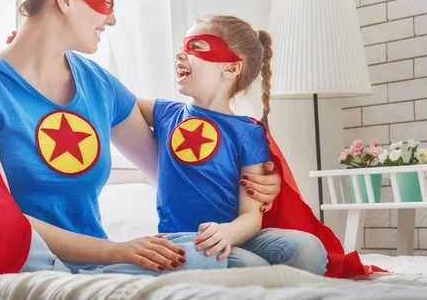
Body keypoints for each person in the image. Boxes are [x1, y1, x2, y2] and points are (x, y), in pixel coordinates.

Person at [137, 15, 327, 275]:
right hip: (186, 241)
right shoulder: (166, 113)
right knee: (242, 264)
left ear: (230, 68)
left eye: (196, 47)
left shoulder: (249, 133)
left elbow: (251, 216)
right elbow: (116, 101)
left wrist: (227, 233)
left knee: (308, 247)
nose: (180, 54)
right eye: (183, 46)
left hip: (236, 235)